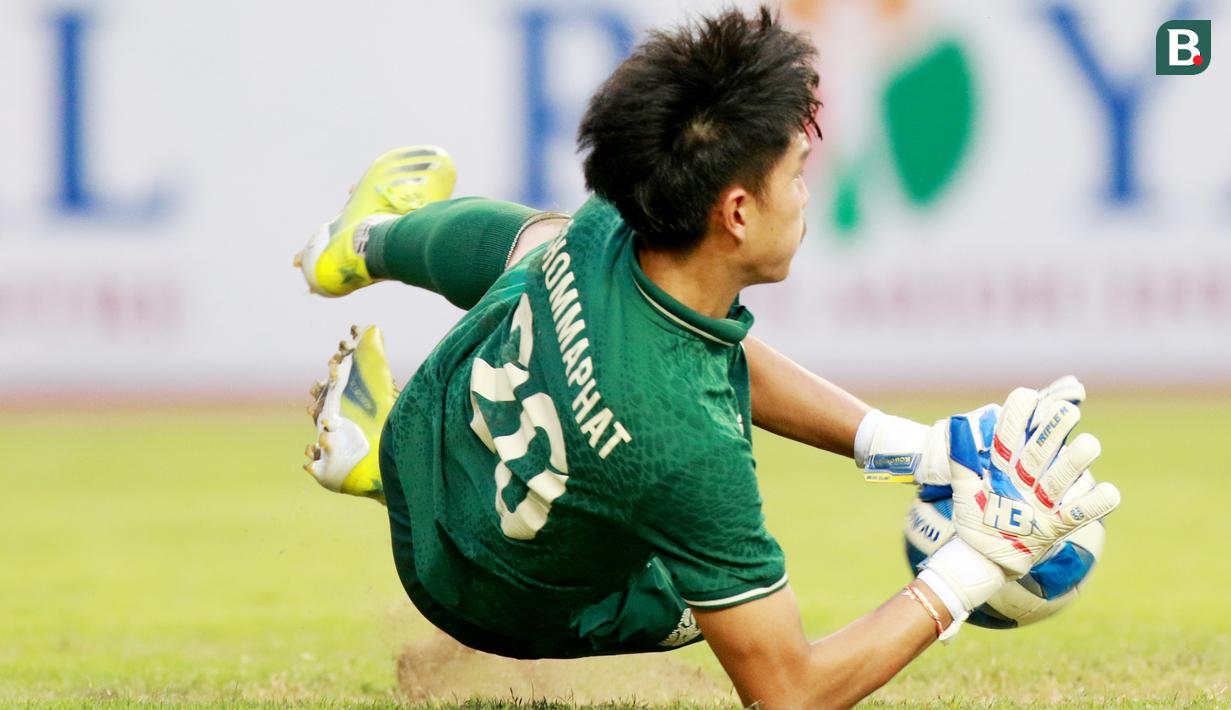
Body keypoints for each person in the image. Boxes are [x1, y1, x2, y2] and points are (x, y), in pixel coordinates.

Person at [292, 7, 1120, 708]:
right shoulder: (684, 450)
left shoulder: (612, 224)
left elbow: (705, 355)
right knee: (707, 591)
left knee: (533, 246)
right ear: (734, 211)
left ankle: (360, 245)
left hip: (435, 432)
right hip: (479, 593)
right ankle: (368, 464)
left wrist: (916, 448)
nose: (805, 193)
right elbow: (789, 689)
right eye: (796, 174)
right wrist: (970, 570)